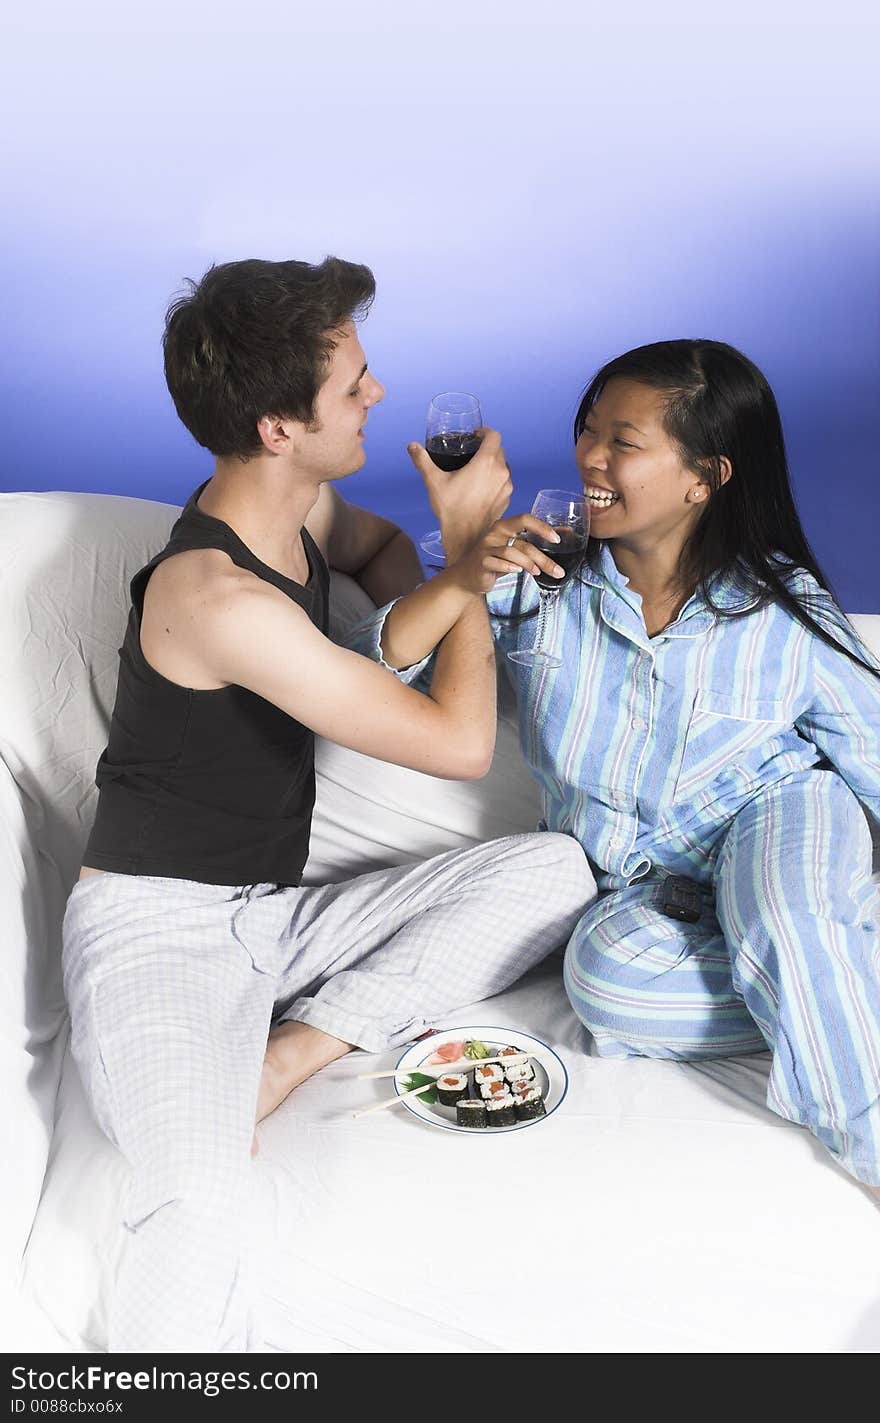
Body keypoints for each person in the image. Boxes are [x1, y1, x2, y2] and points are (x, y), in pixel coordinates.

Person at [61, 257, 592, 1352]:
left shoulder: (302, 504)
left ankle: (289, 1055)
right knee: (200, 1205)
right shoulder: (217, 599)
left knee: (554, 872)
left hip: (277, 912)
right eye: (353, 386)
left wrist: (437, 574)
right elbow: (456, 742)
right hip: (157, 937)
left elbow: (381, 550)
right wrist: (474, 567)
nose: (378, 397)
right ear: (275, 426)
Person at [350, 338, 880, 1197]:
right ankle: (836, 976)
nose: (589, 456)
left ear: (704, 477)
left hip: (776, 816)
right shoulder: (535, 584)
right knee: (605, 984)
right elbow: (371, 674)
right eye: (587, 430)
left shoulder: (785, 612)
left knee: (784, 910)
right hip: (645, 891)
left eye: (622, 441)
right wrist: (462, 564)